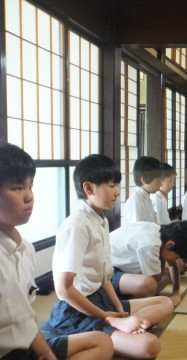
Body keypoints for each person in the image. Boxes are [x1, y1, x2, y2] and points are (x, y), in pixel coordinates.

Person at [41, 154, 174, 359]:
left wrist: (119, 311)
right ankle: (113, 330)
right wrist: (109, 319)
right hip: (77, 309)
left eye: (117, 186)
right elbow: (63, 289)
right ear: (88, 188)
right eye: (111, 186)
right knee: (149, 347)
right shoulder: (77, 225)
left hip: (100, 299)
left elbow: (104, 278)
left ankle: (122, 329)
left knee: (166, 303)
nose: (117, 192)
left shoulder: (100, 220)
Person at [0, 142, 114, 360]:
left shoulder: (24, 248)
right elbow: (64, 289)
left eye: (30, 186)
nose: (28, 196)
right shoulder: (77, 224)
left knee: (103, 342)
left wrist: (45, 354)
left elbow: (26, 316)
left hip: (27, 347)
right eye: (16, 188)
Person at [110, 221, 187, 305]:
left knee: (173, 268)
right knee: (149, 285)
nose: (176, 259)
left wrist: (176, 293)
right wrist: (162, 262)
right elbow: (156, 278)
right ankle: (123, 300)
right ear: (170, 244)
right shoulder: (150, 244)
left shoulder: (160, 232)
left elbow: (172, 264)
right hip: (109, 271)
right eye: (177, 257)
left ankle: (130, 295)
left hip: (125, 268)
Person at [122, 156, 163, 225]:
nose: (161, 184)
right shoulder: (136, 201)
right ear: (144, 180)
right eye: (158, 180)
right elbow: (136, 231)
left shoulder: (146, 197)